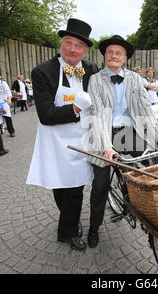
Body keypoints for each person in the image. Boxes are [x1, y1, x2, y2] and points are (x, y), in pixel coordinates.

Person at [87, 35, 158, 248]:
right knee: (100, 185)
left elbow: (145, 111)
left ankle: (155, 210)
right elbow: (97, 114)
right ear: (105, 56)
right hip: (103, 134)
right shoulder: (96, 80)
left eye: (118, 53)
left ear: (125, 58)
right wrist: (106, 147)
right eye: (110, 52)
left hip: (128, 133)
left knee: (156, 165)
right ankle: (94, 228)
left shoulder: (135, 80)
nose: (113, 55)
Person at [26, 18, 99, 251]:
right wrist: (76, 108)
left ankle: (67, 231)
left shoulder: (91, 70)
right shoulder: (43, 72)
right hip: (55, 140)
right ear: (61, 43)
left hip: (82, 139)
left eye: (79, 46)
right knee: (60, 186)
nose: (73, 50)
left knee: (75, 187)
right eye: (69, 43)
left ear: (85, 49)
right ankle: (69, 216)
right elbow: (45, 115)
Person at [0, 72, 15, 137]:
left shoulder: (3, 83)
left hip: (3, 102)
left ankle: (11, 131)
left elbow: (8, 92)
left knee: (7, 116)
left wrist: (9, 99)